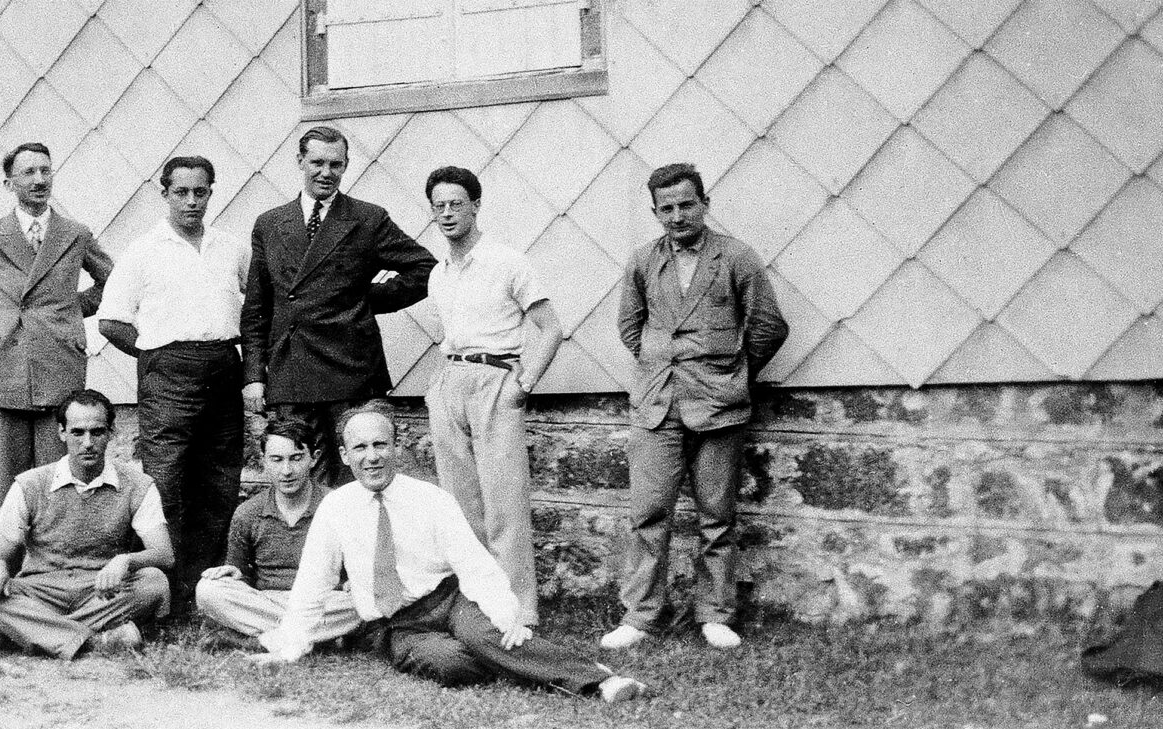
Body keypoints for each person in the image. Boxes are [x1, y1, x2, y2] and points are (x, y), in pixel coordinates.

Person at [253, 409, 648, 703]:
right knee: (449, 664)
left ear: (395, 448)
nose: (371, 456)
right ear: (343, 455)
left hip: (448, 600)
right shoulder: (336, 507)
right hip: (396, 625)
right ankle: (508, 655)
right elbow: (313, 581)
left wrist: (504, 611)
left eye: (379, 445)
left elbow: (472, 562)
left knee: (488, 632)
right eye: (360, 447)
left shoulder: (430, 498)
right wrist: (290, 645)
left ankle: (599, 681)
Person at [601, 163, 788, 651]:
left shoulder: (736, 258)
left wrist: (730, 372)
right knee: (649, 512)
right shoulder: (643, 261)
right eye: (667, 208)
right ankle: (640, 616)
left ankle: (715, 614)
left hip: (718, 405)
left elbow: (768, 326)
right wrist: (663, 361)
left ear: (705, 203)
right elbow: (630, 327)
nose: (678, 215)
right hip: (658, 404)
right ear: (655, 212)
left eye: (687, 204)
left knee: (716, 515)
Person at [240, 125, 437, 487]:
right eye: (317, 163)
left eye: (336, 164)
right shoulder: (269, 224)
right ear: (300, 161)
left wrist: (363, 301)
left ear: (346, 166)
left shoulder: (367, 218)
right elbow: (257, 308)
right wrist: (253, 376)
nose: (326, 173)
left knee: (357, 477)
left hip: (351, 369)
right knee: (300, 478)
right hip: (291, 371)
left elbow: (424, 270)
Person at [0, 142, 113, 528]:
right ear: (9, 182)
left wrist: (70, 311)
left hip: (58, 365)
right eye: (29, 172)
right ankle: (2, 565)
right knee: (4, 484)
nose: (39, 180)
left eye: (46, 171)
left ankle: (53, 562)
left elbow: (112, 282)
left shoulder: (75, 234)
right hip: (3, 370)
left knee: (57, 478)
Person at [98, 156, 249, 609]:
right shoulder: (144, 250)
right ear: (163, 194)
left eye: (200, 192)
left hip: (223, 365)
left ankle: (208, 589)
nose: (191, 201)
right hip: (168, 373)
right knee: (167, 483)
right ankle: (169, 593)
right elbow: (111, 321)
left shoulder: (231, 247)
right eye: (180, 192)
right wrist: (155, 358)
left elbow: (257, 304)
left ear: (210, 193)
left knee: (220, 480)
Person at [421, 166, 562, 628]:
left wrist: (525, 384)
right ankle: (480, 605)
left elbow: (550, 328)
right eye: (438, 206)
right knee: (460, 506)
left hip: (497, 381)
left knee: (504, 504)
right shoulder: (438, 273)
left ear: (475, 206)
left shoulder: (507, 261)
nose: (447, 214)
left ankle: (520, 611)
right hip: (451, 381)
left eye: (455, 204)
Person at [0, 389, 173, 659]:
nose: (87, 443)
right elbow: (0, 554)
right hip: (40, 591)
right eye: (77, 433)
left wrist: (126, 561)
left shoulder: (137, 485)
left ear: (111, 433)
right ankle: (96, 642)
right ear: (61, 433)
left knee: (154, 582)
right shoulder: (30, 484)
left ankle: (27, 633)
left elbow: (164, 554)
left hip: (101, 591)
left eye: (97, 432)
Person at [194, 418, 359, 650]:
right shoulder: (248, 513)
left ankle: (258, 640)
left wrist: (352, 583)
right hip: (267, 600)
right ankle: (314, 637)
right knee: (208, 590)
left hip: (323, 601)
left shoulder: (337, 505)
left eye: (296, 458)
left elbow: (355, 571)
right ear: (264, 462)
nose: (287, 471)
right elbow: (239, 573)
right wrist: (234, 574)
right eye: (277, 460)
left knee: (362, 599)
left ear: (314, 457)